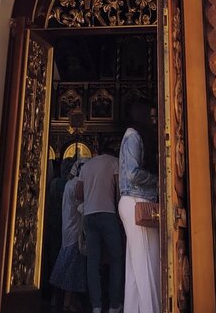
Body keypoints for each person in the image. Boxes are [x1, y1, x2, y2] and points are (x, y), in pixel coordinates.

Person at [118, 101, 160, 313]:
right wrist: (157, 179)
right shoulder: (134, 135)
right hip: (137, 200)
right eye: (151, 118)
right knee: (147, 265)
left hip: (134, 201)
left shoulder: (134, 136)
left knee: (136, 268)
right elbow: (132, 173)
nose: (154, 122)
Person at [77, 143, 124, 313]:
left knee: (92, 261)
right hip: (108, 213)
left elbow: (78, 193)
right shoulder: (114, 162)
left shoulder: (87, 166)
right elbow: (119, 190)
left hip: (90, 216)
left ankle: (96, 306)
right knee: (116, 258)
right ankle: (114, 304)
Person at [49, 158, 88, 312]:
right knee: (70, 266)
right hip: (75, 229)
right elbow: (81, 207)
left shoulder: (68, 184)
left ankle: (61, 299)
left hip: (67, 226)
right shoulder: (77, 184)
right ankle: (67, 301)